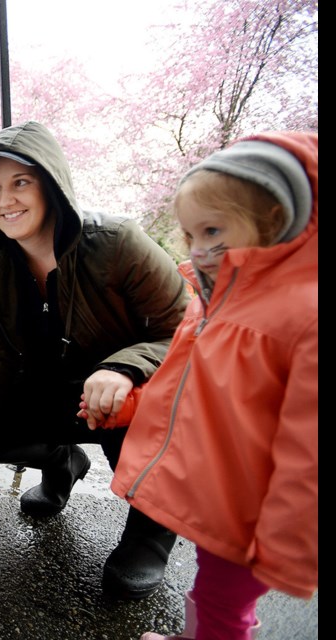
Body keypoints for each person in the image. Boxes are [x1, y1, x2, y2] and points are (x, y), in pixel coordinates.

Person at [0, 120, 190, 600]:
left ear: (51, 183)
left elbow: (188, 329)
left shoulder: (116, 242)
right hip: (53, 394)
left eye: (20, 182)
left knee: (132, 418)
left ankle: (150, 532)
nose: (5, 200)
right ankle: (61, 463)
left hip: (128, 398)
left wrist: (124, 368)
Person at [98, 132, 317, 640]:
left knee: (223, 601)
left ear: (276, 220)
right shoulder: (211, 304)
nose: (198, 249)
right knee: (213, 593)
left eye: (213, 229)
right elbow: (185, 387)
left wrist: (288, 547)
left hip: (251, 509)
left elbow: (309, 449)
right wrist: (129, 405)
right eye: (190, 235)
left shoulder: (301, 317)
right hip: (219, 490)